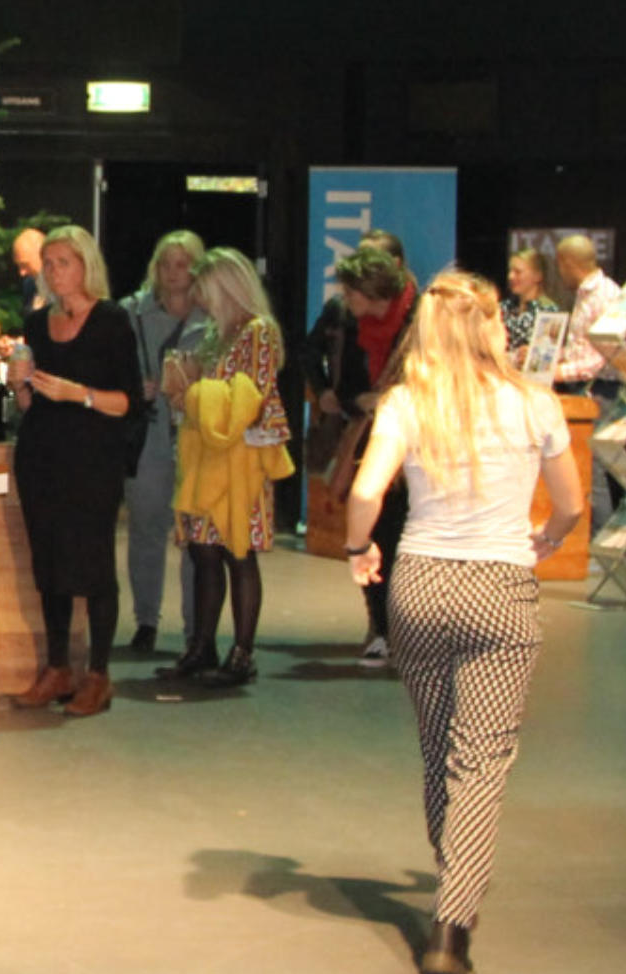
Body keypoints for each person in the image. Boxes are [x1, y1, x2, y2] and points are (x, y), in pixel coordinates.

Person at [342, 271, 585, 974]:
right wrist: (548, 537)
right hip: (500, 589)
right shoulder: (534, 403)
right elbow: (571, 505)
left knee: (439, 745)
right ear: (491, 327)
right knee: (480, 760)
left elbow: (366, 490)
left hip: (419, 586)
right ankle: (452, 927)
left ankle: (455, 875)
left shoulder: (406, 402)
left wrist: (358, 549)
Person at [8, 226, 145, 716]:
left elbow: (129, 402)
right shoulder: (37, 324)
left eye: (63, 262)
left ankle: (99, 674)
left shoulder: (112, 321)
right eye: (48, 263)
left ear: (87, 265)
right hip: (42, 455)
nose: (54, 272)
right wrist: (18, 384)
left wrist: (80, 395)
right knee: (49, 564)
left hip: (92, 458)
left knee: (93, 563)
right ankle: (57, 667)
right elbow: (29, 404)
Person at [163, 247, 291, 687]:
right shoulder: (217, 333)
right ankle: (202, 646)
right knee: (203, 551)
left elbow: (250, 395)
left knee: (239, 552)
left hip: (243, 459)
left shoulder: (259, 331)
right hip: (208, 457)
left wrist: (196, 393)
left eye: (203, 286)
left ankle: (242, 652)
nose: (196, 295)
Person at [310, 245, 420, 668]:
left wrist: (393, 399)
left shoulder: (420, 320)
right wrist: (355, 401)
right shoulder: (348, 320)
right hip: (367, 436)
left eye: (351, 292)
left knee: (403, 536)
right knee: (378, 530)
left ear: (373, 292)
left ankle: (405, 629)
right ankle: (381, 627)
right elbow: (337, 373)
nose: (345, 300)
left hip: (415, 442)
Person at [117, 231, 210, 654]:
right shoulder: (132, 312)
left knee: (196, 535)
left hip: (199, 434)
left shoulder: (214, 315)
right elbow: (112, 367)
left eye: (183, 264)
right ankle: (146, 621)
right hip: (150, 433)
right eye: (167, 264)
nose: (175, 273)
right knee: (146, 527)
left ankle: (196, 629)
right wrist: (135, 386)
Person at [547, 234, 620, 390]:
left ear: (567, 264)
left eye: (559, 266)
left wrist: (560, 372)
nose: (559, 273)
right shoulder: (584, 294)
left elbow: (606, 356)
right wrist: (547, 355)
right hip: (582, 385)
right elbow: (580, 348)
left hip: (600, 388)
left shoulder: (605, 295)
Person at [498, 246, 555, 367]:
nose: (511, 277)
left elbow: (545, 358)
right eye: (510, 271)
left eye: (518, 272)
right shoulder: (502, 308)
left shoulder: (548, 312)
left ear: (538, 276)